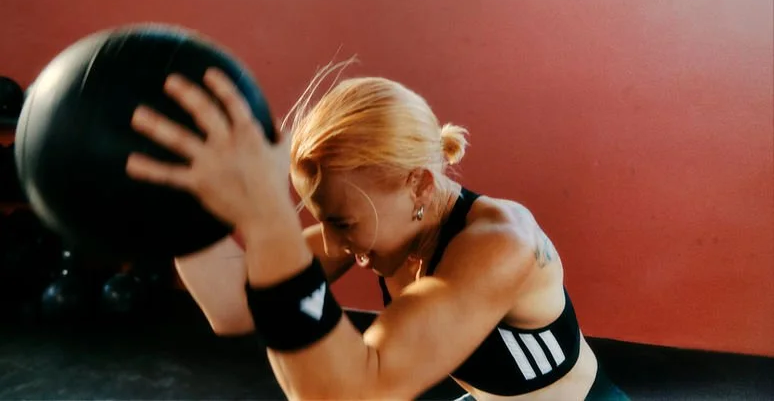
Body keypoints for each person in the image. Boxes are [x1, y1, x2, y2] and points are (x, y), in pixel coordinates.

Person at [125, 60, 628, 400]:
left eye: (343, 223)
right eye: (324, 220)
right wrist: (176, 211)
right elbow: (237, 305)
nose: (334, 241)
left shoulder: (501, 245)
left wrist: (266, 218)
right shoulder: (375, 228)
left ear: (419, 185)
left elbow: (358, 393)